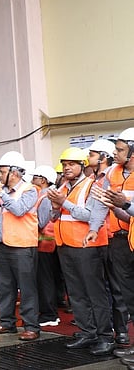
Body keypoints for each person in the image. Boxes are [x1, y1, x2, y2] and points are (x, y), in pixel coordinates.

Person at [48, 147, 114, 356]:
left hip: (87, 248)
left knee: (95, 294)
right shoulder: (64, 187)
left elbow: (89, 215)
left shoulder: (92, 185)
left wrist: (62, 202)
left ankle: (105, 337)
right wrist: (56, 208)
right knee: (76, 294)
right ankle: (88, 332)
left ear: (82, 166)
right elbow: (55, 216)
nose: (67, 168)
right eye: (64, 164)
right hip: (66, 246)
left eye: (72, 164)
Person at [0, 151, 48, 341]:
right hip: (2, 245)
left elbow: (19, 210)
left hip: (22, 246)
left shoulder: (29, 190)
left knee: (26, 288)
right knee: (4, 286)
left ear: (15, 173)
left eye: (3, 172)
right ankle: (7, 322)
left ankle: (31, 327)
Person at [92, 129, 134, 357]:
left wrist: (124, 206)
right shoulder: (112, 173)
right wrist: (93, 228)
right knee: (127, 294)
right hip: (119, 241)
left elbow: (125, 210)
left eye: (120, 149)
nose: (115, 153)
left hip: (131, 235)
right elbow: (101, 203)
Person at [30, 165, 60, 328]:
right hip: (46, 242)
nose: (32, 181)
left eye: (34, 177)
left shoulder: (45, 196)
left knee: (45, 279)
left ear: (42, 180)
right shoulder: (45, 195)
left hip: (45, 242)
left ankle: (49, 313)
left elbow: (41, 221)